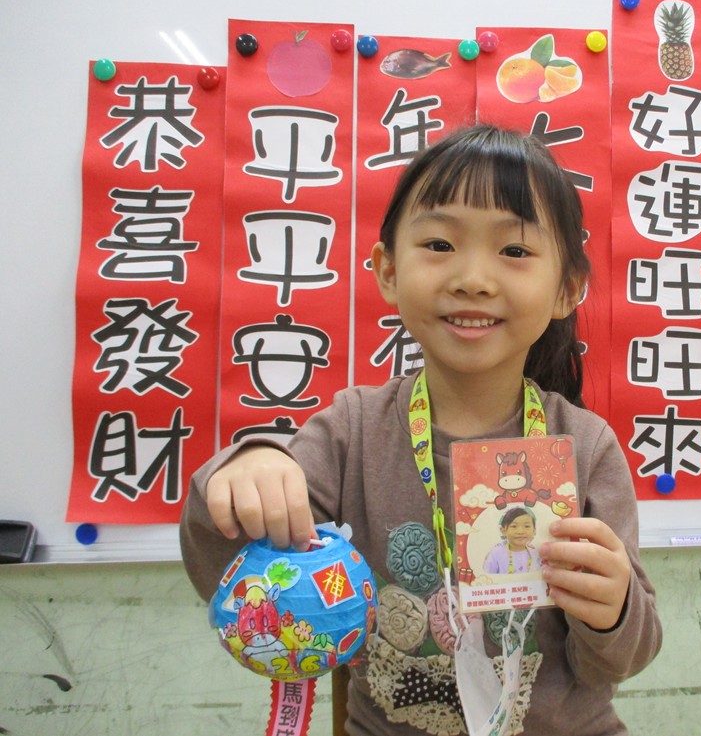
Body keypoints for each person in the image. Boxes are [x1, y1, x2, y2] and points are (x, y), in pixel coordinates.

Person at [180, 124, 662, 736]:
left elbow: (619, 661)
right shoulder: (350, 431)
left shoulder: (584, 446)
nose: (473, 278)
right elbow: (230, 577)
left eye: (514, 251)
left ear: (567, 288)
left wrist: (613, 610)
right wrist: (243, 469)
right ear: (387, 270)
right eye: (439, 244)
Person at [484, 506, 541, 574]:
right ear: (503, 531)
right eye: (514, 526)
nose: (520, 531)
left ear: (534, 530)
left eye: (527, 526)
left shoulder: (536, 553)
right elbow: (488, 576)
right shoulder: (496, 553)